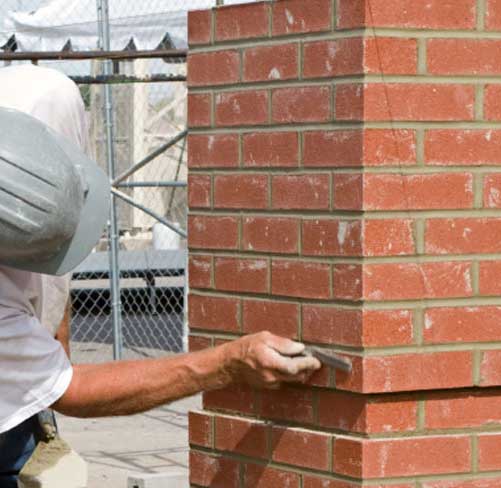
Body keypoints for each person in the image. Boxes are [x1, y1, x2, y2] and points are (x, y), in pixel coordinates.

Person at [0, 65, 321, 487]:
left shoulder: (34, 99)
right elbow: (72, 390)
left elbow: (51, 276)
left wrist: (51, 358)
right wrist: (227, 364)